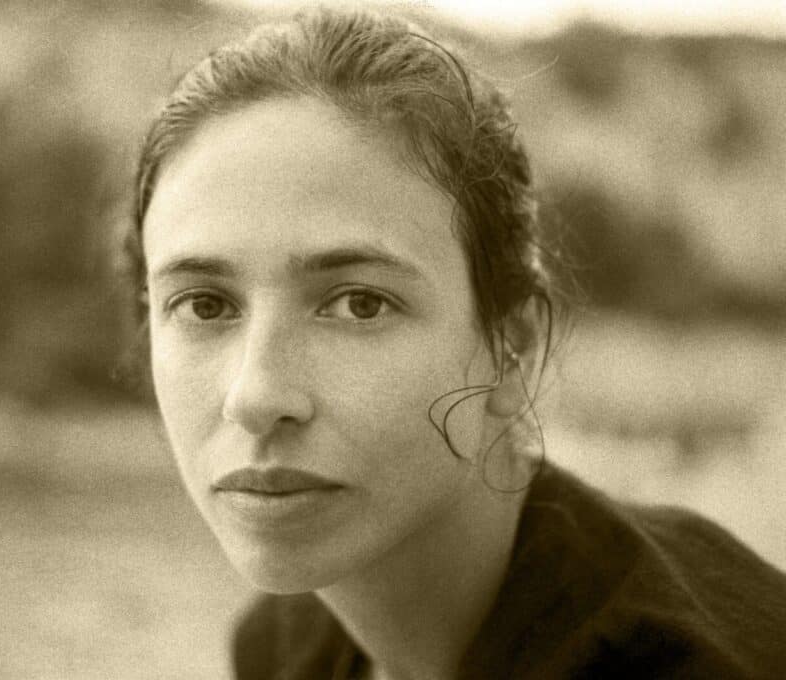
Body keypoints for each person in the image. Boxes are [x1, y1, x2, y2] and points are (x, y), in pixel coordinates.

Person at [123, 6, 786, 679]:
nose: (256, 396)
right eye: (205, 305)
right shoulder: (285, 647)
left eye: (360, 304)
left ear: (510, 349)